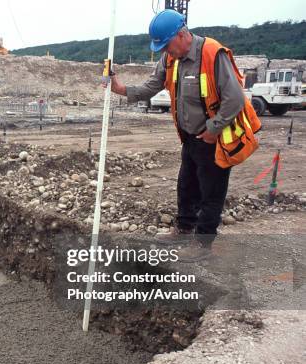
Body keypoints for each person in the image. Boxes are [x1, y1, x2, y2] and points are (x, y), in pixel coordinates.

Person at [103, 9, 258, 262]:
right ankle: (185, 228)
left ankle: (203, 245)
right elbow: (151, 86)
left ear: (182, 34)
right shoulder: (169, 59)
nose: (165, 51)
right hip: (189, 137)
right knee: (186, 185)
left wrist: (214, 128)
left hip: (214, 138)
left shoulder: (211, 53)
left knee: (211, 192)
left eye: (167, 45)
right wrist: (121, 89)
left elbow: (235, 99)